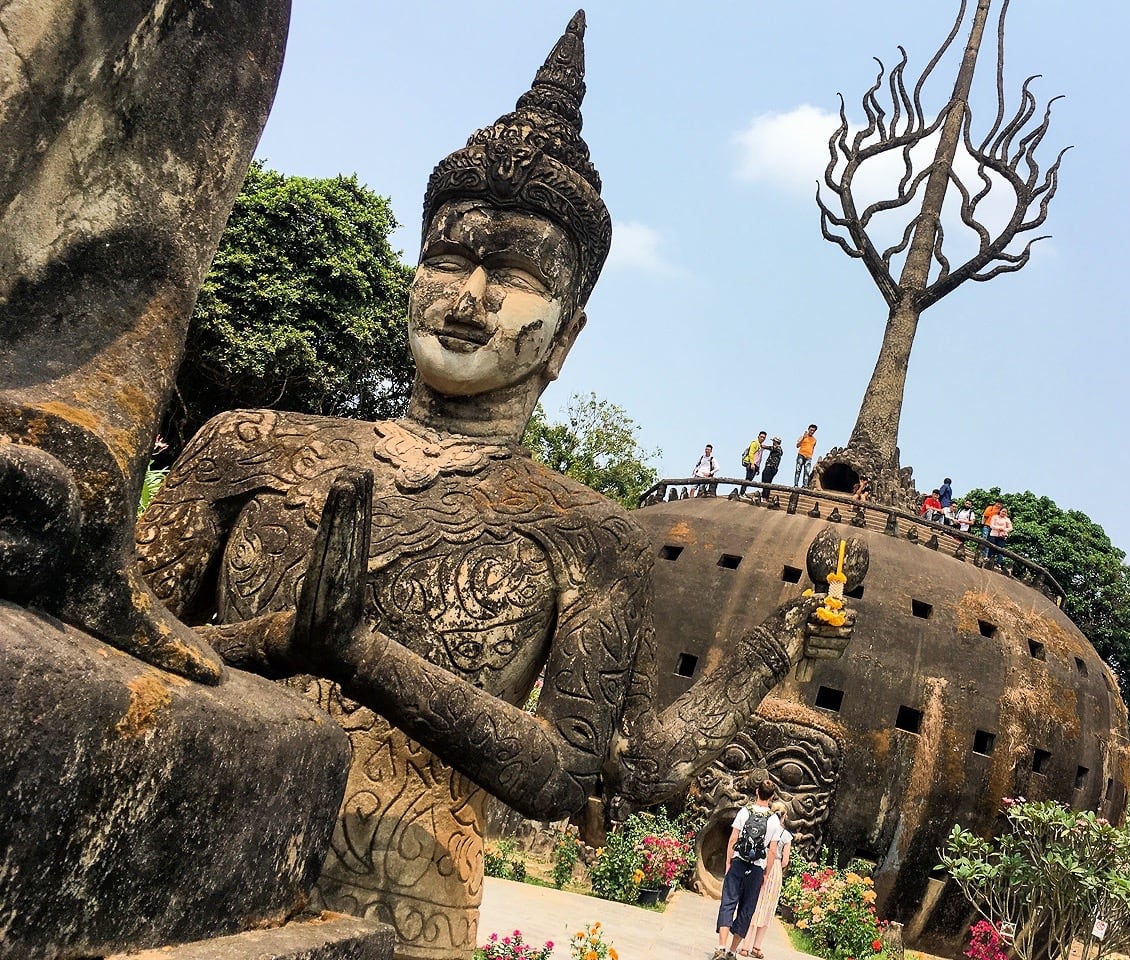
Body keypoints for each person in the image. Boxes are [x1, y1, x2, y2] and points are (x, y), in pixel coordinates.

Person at [135, 16, 855, 955]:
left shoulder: (589, 534)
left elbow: (589, 772)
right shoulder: (249, 446)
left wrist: (772, 647)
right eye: (448, 259)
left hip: (400, 908)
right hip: (173, 871)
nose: (469, 297)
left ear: (566, 334)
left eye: (511, 275)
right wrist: (275, 640)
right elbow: (117, 632)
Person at [715, 780, 783, 960]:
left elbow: (733, 839)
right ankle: (732, 950)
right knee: (747, 908)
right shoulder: (775, 820)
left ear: (756, 791)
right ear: (772, 796)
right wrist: (766, 874)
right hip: (756, 868)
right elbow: (773, 850)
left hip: (739, 861)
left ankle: (721, 947)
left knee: (728, 902)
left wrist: (729, 862)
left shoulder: (744, 812)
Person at [738, 801, 792, 959]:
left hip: (759, 864)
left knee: (753, 903)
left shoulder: (765, 829)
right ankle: (757, 946)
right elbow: (785, 861)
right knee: (767, 908)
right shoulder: (786, 836)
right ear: (784, 817)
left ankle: (744, 945)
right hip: (774, 869)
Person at [739, 431, 766, 495]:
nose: (762, 438)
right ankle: (741, 493)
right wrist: (752, 464)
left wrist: (758, 468)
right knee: (748, 479)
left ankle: (742, 492)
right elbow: (751, 453)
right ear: (758, 436)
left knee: (749, 480)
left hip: (756, 465)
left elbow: (759, 458)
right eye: (761, 437)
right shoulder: (755, 443)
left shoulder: (760, 446)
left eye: (764, 437)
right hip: (752, 464)